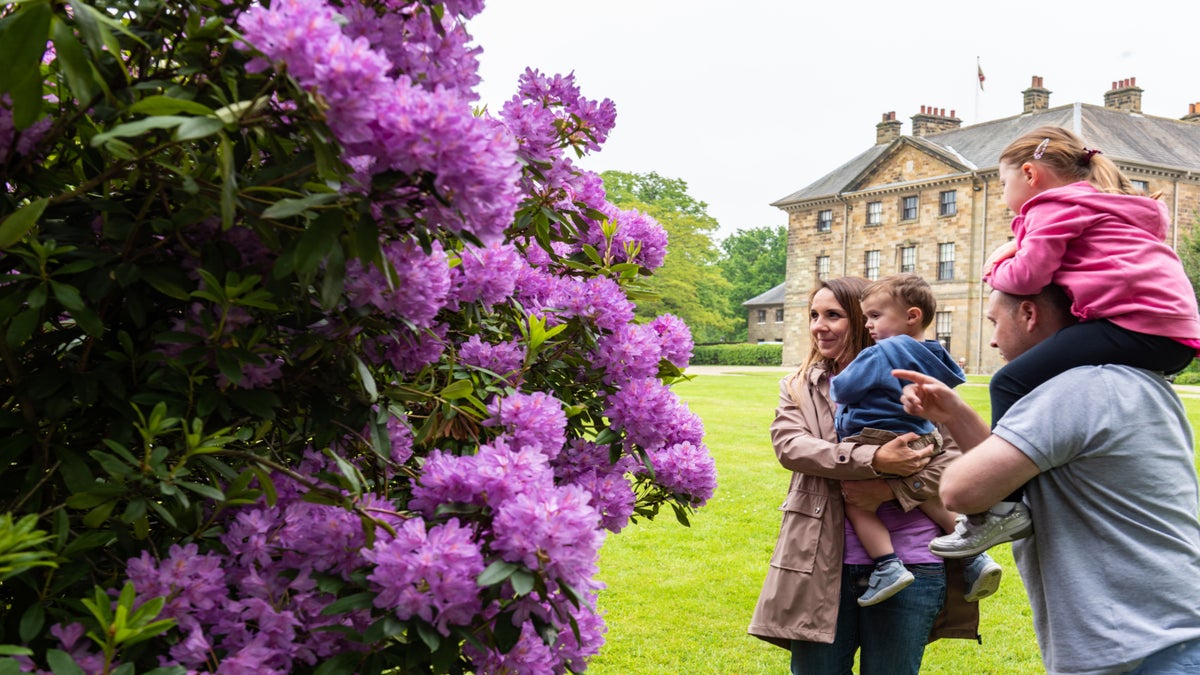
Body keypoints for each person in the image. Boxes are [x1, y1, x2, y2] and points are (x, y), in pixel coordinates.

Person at [897, 285, 1200, 674]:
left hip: (1141, 653)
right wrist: (955, 415)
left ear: (1029, 314)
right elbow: (1014, 474)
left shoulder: (1074, 390)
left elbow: (962, 491)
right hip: (1166, 638)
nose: (991, 339)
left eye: (994, 322)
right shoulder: (1132, 381)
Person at [931, 125, 1200, 558]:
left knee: (1009, 383)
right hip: (1173, 331)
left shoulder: (1052, 206)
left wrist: (992, 267)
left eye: (1003, 183)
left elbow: (1028, 277)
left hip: (1133, 324)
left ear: (1030, 174)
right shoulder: (1112, 205)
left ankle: (1003, 508)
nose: (1003, 195)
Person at [748, 277, 980, 675]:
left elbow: (952, 463)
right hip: (822, 563)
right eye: (814, 315)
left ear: (862, 319)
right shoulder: (800, 386)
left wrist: (890, 487)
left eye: (833, 315)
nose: (819, 326)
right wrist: (875, 458)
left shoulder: (912, 378)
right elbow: (792, 446)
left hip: (913, 563)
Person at [829, 274, 1000, 606]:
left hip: (877, 439)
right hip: (924, 438)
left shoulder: (880, 353)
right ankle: (975, 556)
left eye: (876, 316)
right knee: (927, 498)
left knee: (856, 501)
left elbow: (842, 389)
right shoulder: (935, 355)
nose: (868, 326)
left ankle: (887, 565)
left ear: (912, 315)